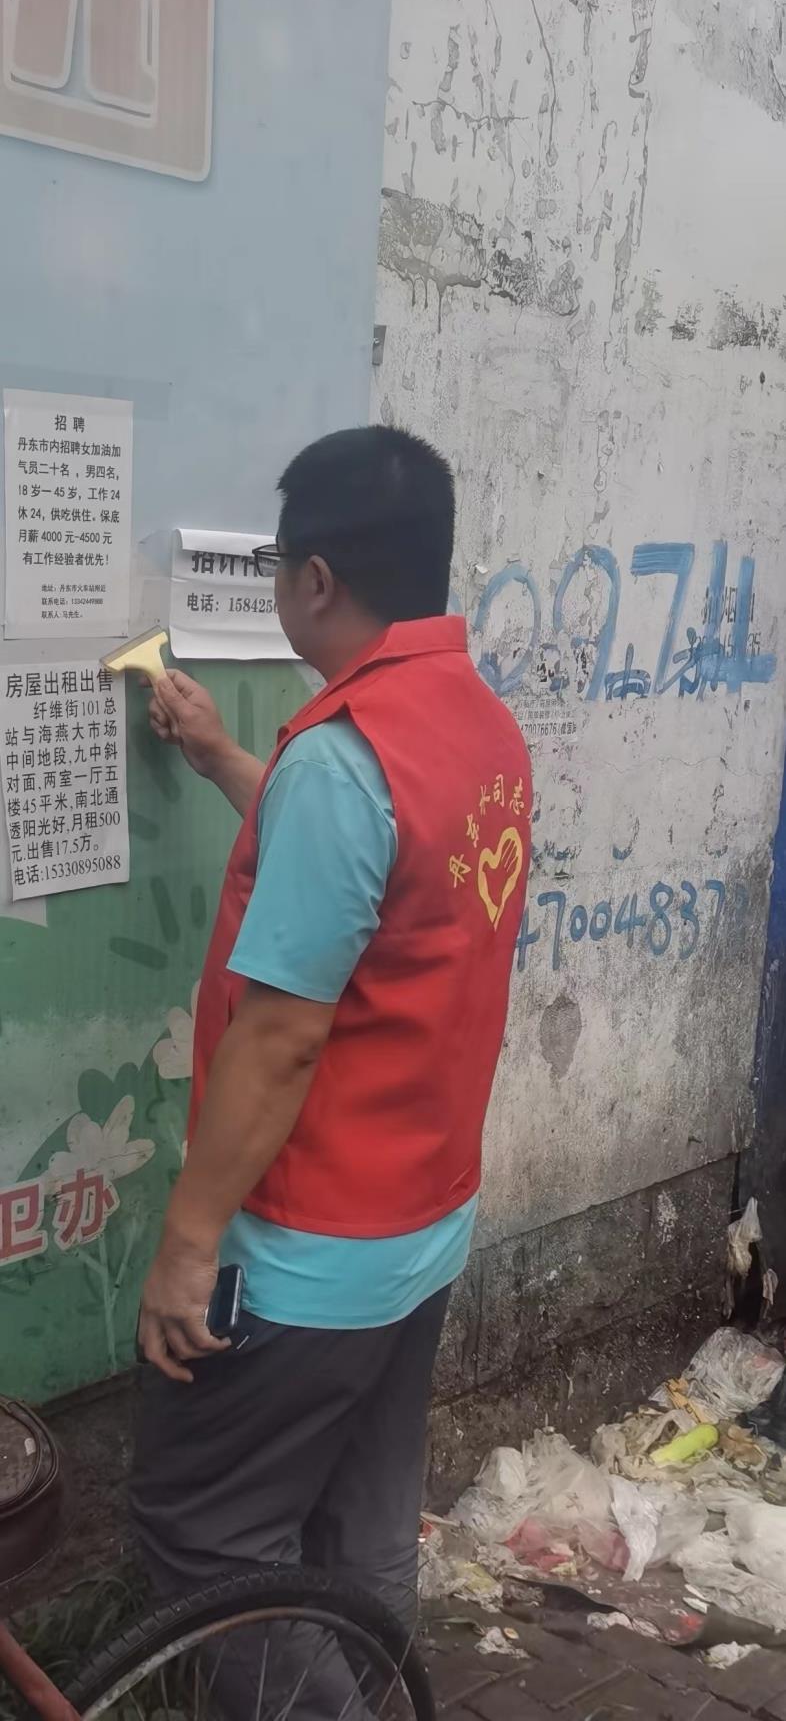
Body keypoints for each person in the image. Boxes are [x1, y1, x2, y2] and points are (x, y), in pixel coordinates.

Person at [132, 425, 532, 1656]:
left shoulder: (345, 758)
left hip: (311, 1249)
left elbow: (280, 1042)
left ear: (315, 580)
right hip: (421, 1225)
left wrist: (187, 1244)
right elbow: (372, 876)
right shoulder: (475, 723)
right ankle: (379, 1690)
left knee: (204, 1538)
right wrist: (222, 758)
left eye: (278, 564)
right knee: (362, 1525)